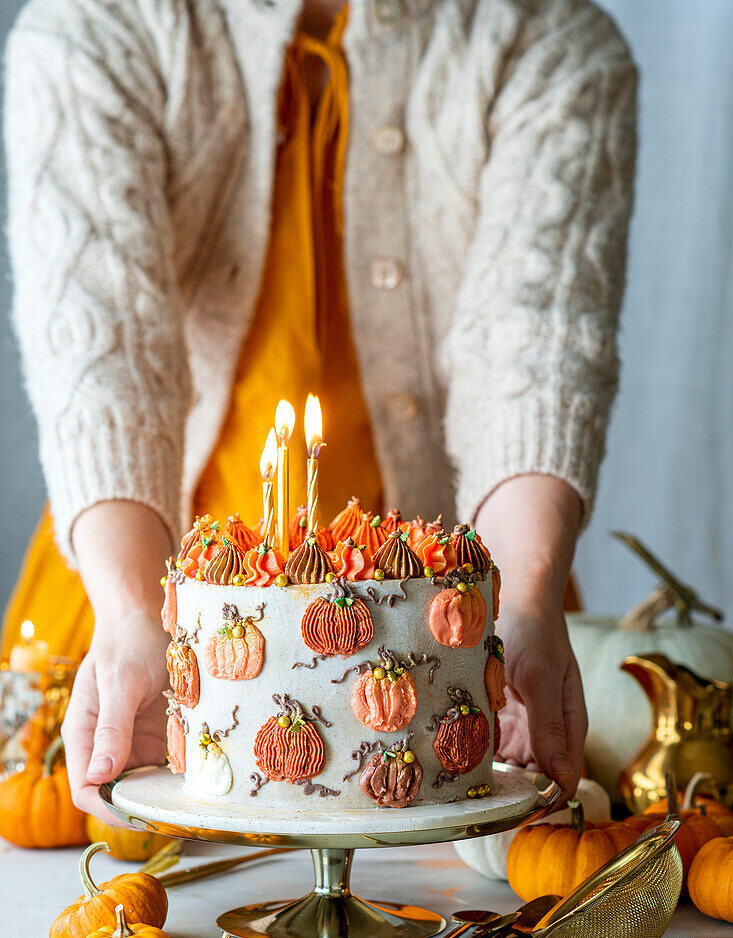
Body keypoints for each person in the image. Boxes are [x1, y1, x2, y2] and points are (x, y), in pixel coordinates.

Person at [2, 0, 636, 820]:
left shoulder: (546, 37)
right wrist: (131, 613)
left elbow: (536, 344)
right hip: (130, 598)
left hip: (443, 639)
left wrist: (525, 594)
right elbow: (103, 355)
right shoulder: (93, 22)